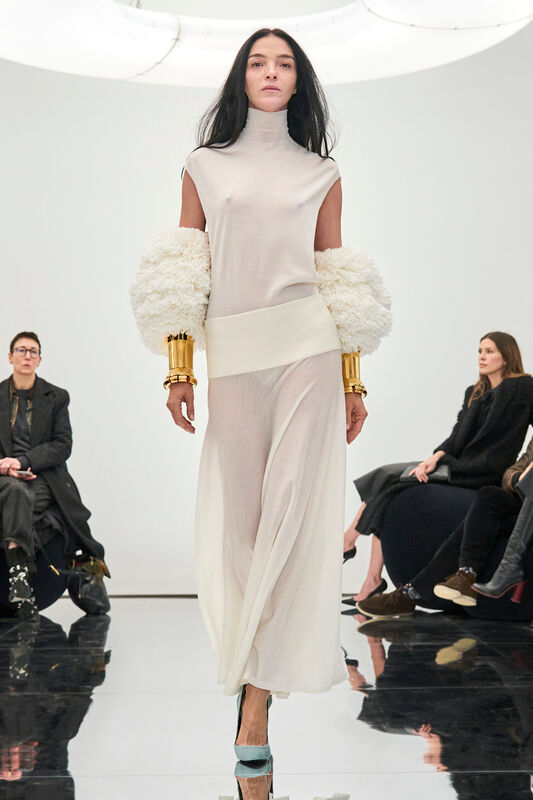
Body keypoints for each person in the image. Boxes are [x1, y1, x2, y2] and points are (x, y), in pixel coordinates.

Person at [131, 28, 391, 761]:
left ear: (299, 80)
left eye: (283, 64)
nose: (270, 72)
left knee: (290, 513)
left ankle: (255, 700)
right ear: (240, 77)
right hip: (235, 355)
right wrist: (178, 367)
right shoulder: (203, 166)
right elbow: (183, 264)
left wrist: (353, 380)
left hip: (307, 345)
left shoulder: (321, 172)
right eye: (257, 62)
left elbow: (336, 274)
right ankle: (255, 664)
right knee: (242, 521)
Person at [343, 331, 533, 604]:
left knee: (393, 481)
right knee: (388, 478)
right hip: (459, 464)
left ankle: (351, 546)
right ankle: (369, 575)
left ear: (507, 356)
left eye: (490, 351)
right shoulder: (475, 393)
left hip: (485, 470)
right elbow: (456, 437)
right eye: (480, 351)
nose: (482, 357)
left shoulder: (523, 388)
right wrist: (435, 458)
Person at [355, 435, 533, 618]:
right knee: (488, 497)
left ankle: (413, 593)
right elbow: (510, 474)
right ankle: (465, 575)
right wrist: (520, 477)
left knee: (479, 525)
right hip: (522, 500)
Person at [0, 331, 109, 620]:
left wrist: (23, 461)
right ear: (10, 357)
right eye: (21, 350)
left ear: (39, 359)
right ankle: (20, 576)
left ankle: (22, 577)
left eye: (33, 351)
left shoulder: (57, 397)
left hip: (43, 476)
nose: (27, 356)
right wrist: (5, 466)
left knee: (24, 498)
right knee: (15, 492)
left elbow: (62, 445)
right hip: (4, 477)